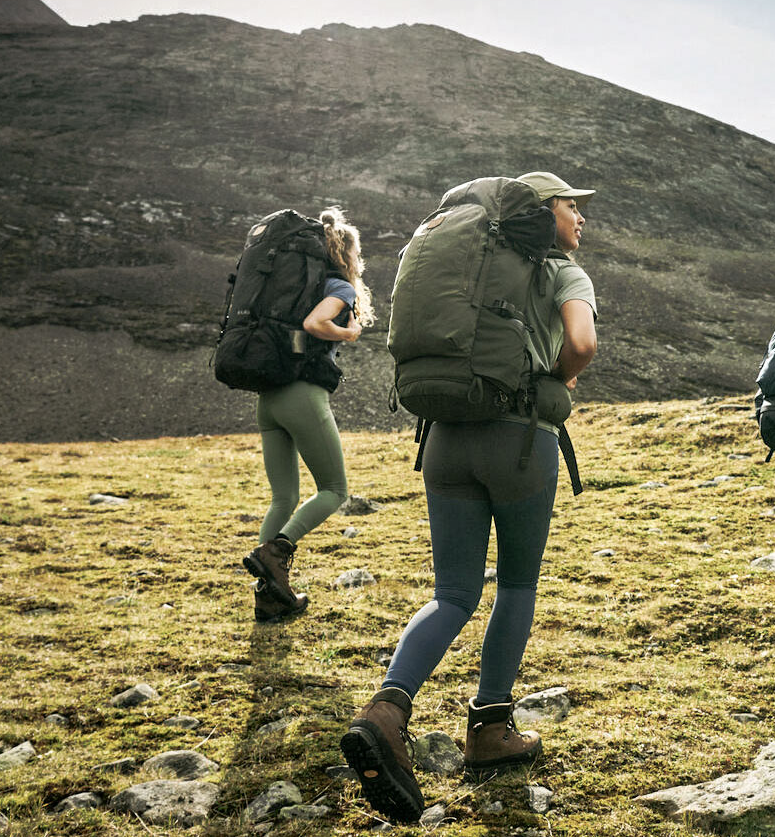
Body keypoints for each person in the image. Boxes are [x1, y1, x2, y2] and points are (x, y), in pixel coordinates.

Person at [341, 172, 598, 822]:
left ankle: (388, 709)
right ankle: (489, 731)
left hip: (445, 439)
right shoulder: (562, 273)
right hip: (517, 441)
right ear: (545, 214)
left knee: (452, 594)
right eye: (573, 208)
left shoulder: (471, 262)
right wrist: (553, 384)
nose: (581, 220)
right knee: (516, 586)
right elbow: (583, 344)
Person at [242, 207, 374, 624]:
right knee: (334, 490)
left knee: (283, 497)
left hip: (269, 399)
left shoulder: (294, 286)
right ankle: (276, 552)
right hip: (303, 397)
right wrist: (347, 332)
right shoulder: (339, 286)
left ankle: (270, 597)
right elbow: (316, 323)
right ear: (347, 255)